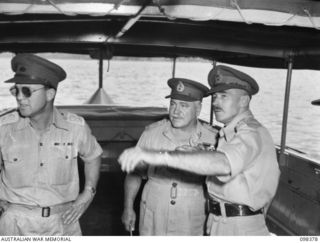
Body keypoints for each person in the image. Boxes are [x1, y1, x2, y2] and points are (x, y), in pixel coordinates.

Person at [119, 65, 281, 236]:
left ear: (197, 109)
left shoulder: (244, 133)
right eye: (215, 97)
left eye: (223, 96)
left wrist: (162, 157)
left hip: (200, 220)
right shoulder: (228, 134)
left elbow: (224, 164)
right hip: (186, 216)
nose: (216, 102)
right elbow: (267, 176)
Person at [0, 53, 102, 236]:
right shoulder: (4, 128)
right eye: (16, 90)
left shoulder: (75, 128)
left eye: (27, 91)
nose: (20, 98)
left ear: (50, 93)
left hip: (62, 223)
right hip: (15, 223)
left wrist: (88, 193)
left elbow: (93, 156)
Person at [121, 78, 218, 235]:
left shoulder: (212, 138)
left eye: (184, 106)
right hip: (154, 210)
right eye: (173, 104)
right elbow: (134, 174)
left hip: (191, 215)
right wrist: (128, 207)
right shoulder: (151, 134)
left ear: (198, 109)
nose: (175, 111)